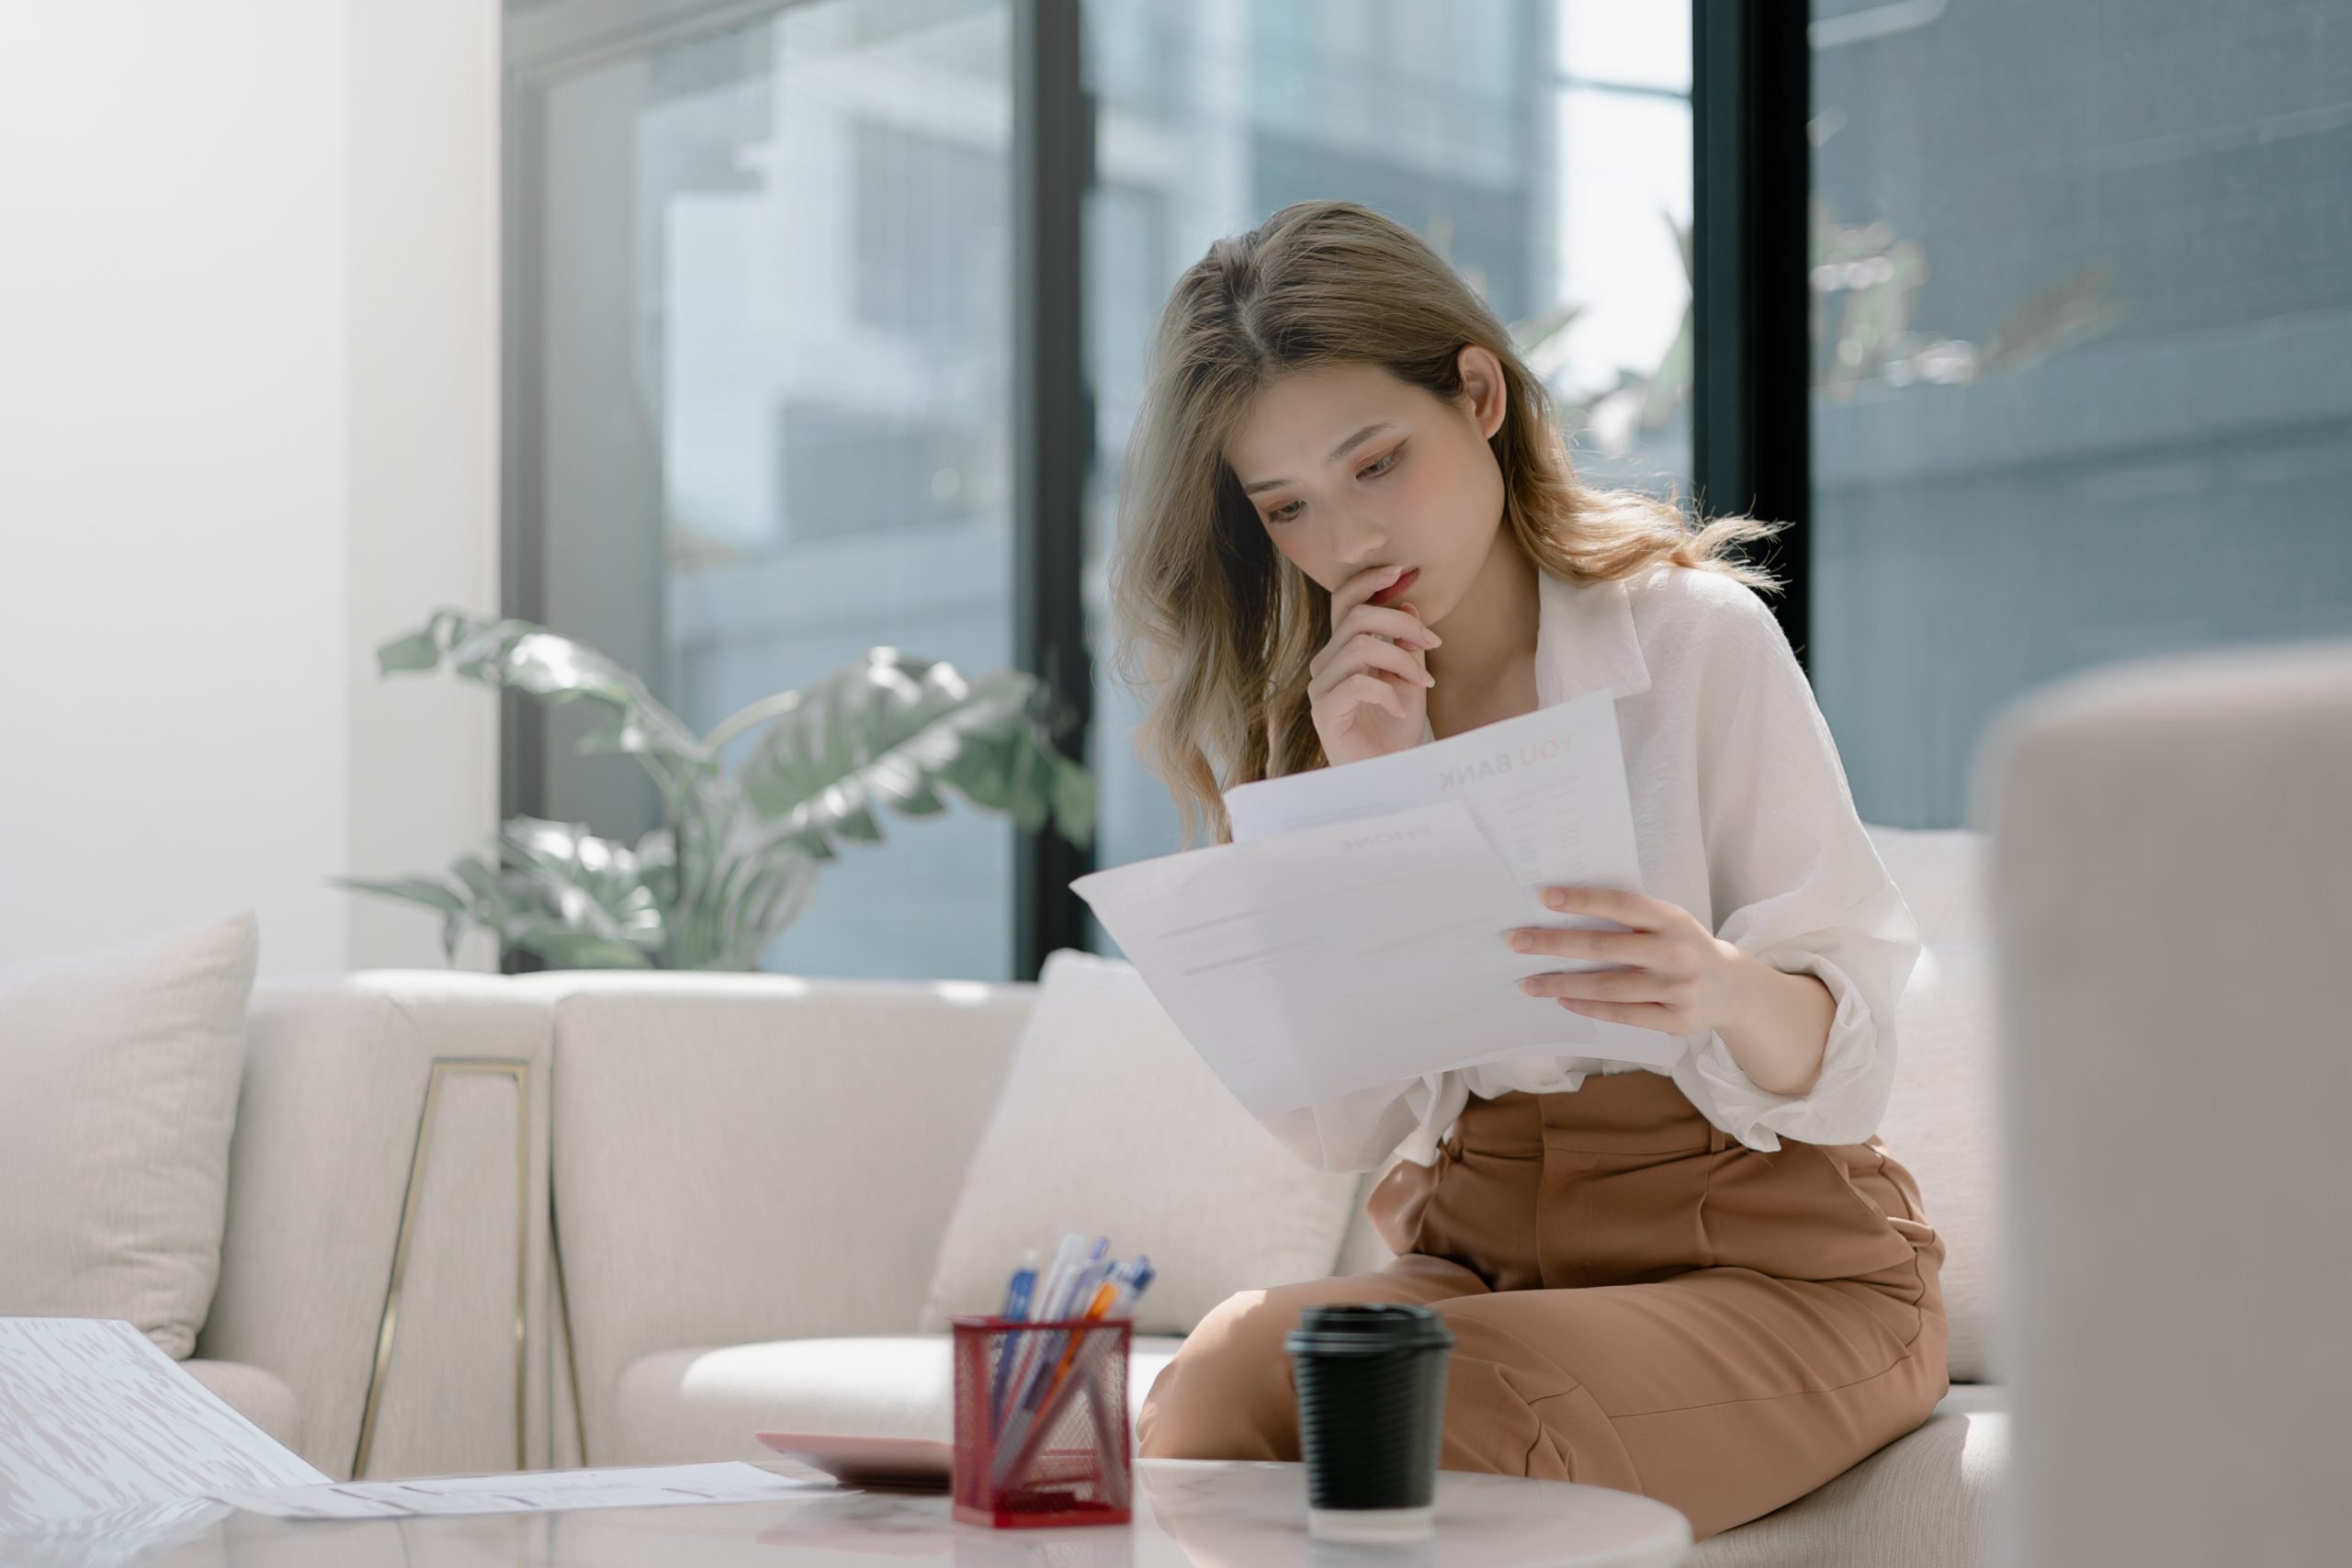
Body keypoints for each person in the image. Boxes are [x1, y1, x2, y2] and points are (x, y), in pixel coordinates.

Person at [1103, 199, 1946, 1543]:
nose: (1350, 542)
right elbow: (1340, 1128)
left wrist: (1719, 986)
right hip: (1486, 1253)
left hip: (1776, 1266)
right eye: (1290, 509)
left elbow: (1856, 1064)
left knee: (1460, 1408)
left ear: (1479, 393)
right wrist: (1366, 790)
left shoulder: (1692, 642)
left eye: (1378, 464)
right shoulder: (1323, 720)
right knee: (1218, 1381)